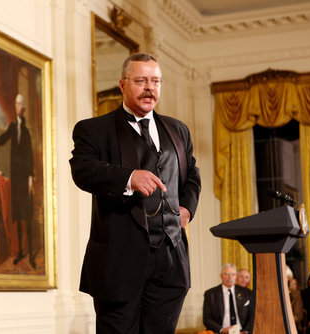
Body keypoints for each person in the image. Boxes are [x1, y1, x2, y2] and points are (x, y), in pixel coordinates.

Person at [69, 53, 201, 333]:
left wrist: (187, 209)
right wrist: (128, 177)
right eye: (141, 80)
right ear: (122, 84)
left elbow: (192, 175)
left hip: (170, 260)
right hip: (118, 265)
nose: (149, 88)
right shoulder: (93, 130)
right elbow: (82, 170)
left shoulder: (178, 130)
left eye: (155, 81)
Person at [0, 93, 35, 268]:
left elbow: (30, 156)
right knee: (17, 215)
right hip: (16, 178)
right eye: (16, 103)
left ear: (23, 107)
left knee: (27, 216)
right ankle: (20, 252)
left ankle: (30, 255)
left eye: (21, 103)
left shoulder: (27, 132)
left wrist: (31, 178)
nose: (19, 106)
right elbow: (3, 138)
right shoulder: (13, 127)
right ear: (14, 106)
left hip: (25, 179)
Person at [203, 264, 253, 334]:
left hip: (242, 332)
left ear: (236, 277)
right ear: (221, 276)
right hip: (220, 331)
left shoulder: (247, 293)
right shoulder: (210, 294)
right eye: (226, 274)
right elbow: (207, 319)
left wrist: (245, 331)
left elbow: (252, 315)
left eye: (233, 274)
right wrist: (222, 330)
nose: (230, 277)